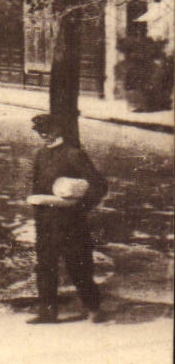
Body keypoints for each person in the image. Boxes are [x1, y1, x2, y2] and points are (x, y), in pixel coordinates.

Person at [27, 113, 107, 324]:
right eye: (40, 132)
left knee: (78, 266)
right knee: (44, 266)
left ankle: (93, 307)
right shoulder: (40, 156)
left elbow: (99, 186)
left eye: (47, 131)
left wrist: (79, 207)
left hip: (71, 224)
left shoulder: (74, 154)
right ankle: (47, 312)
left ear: (58, 130)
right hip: (46, 222)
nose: (44, 135)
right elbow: (36, 187)